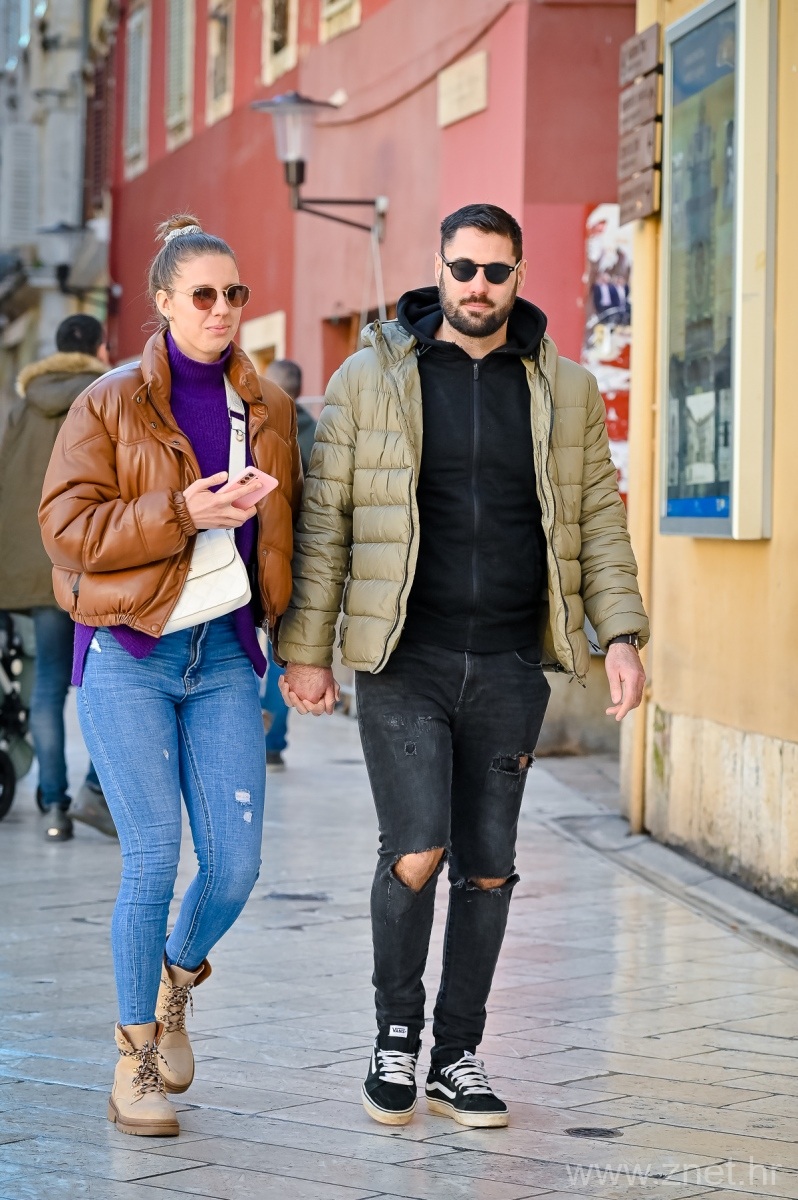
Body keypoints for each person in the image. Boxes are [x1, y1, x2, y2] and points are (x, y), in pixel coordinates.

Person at [276, 203, 648, 1129]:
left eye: (496, 270)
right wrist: (307, 651)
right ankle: (395, 1037)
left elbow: (599, 518)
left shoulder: (563, 387)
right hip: (406, 655)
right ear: (438, 269)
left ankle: (457, 1055)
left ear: (519, 275)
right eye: (463, 268)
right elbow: (326, 523)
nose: (478, 286)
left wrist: (621, 634)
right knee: (417, 850)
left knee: (487, 867)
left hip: (513, 660)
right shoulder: (371, 377)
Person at [39, 214, 302, 1137]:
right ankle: (135, 1060)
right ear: (163, 302)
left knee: (234, 865)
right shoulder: (108, 402)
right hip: (131, 652)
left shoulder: (265, 408)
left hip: (225, 655)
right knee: (153, 857)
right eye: (203, 294)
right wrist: (181, 512)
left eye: (235, 293)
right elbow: (66, 530)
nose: (222, 308)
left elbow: (290, 536)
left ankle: (175, 982)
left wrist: (296, 644)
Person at [0, 314, 114, 842]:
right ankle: (96, 792)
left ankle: (53, 806)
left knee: (47, 685)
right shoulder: (106, 396)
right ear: (99, 348)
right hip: (94, 561)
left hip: (37, 567)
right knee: (110, 682)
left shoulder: (23, 408)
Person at [259, 359, 316, 771]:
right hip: (298, 559)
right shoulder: (317, 431)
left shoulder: (256, 423)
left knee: (243, 652)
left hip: (256, 556)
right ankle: (272, 743)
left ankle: (249, 734)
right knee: (283, 652)